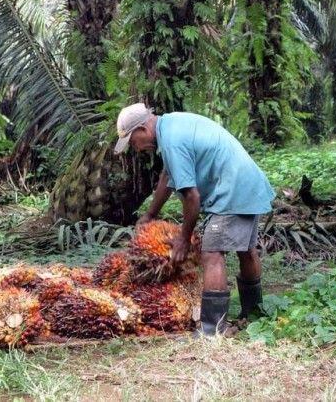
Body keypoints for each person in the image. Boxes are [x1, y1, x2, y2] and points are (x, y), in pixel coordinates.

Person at [114, 103, 275, 336]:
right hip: (247, 183)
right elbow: (167, 175)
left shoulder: (171, 142)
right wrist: (150, 215)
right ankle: (253, 313)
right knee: (246, 250)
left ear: (141, 129)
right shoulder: (171, 124)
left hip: (231, 191)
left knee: (211, 254)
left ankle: (212, 330)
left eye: (133, 142)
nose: (136, 149)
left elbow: (191, 197)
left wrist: (183, 238)